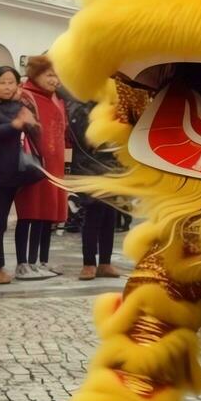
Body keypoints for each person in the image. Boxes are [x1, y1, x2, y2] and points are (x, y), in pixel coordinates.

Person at [0, 66, 40, 283]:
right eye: (2, 82)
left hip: (22, 170)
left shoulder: (19, 105)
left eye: (11, 82)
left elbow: (35, 132)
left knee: (26, 218)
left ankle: (26, 262)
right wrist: (13, 126)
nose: (7, 87)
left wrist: (30, 123)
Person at [14, 56, 67, 279]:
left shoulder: (56, 99)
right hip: (34, 163)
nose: (54, 80)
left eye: (56, 75)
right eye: (49, 75)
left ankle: (41, 260)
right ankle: (23, 262)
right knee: (30, 212)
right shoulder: (25, 96)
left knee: (47, 214)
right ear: (36, 75)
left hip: (55, 165)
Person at [65, 93, 122, 281]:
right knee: (93, 214)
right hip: (90, 166)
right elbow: (84, 137)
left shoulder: (113, 104)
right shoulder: (80, 105)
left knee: (109, 215)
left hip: (112, 166)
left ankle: (105, 262)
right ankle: (88, 263)